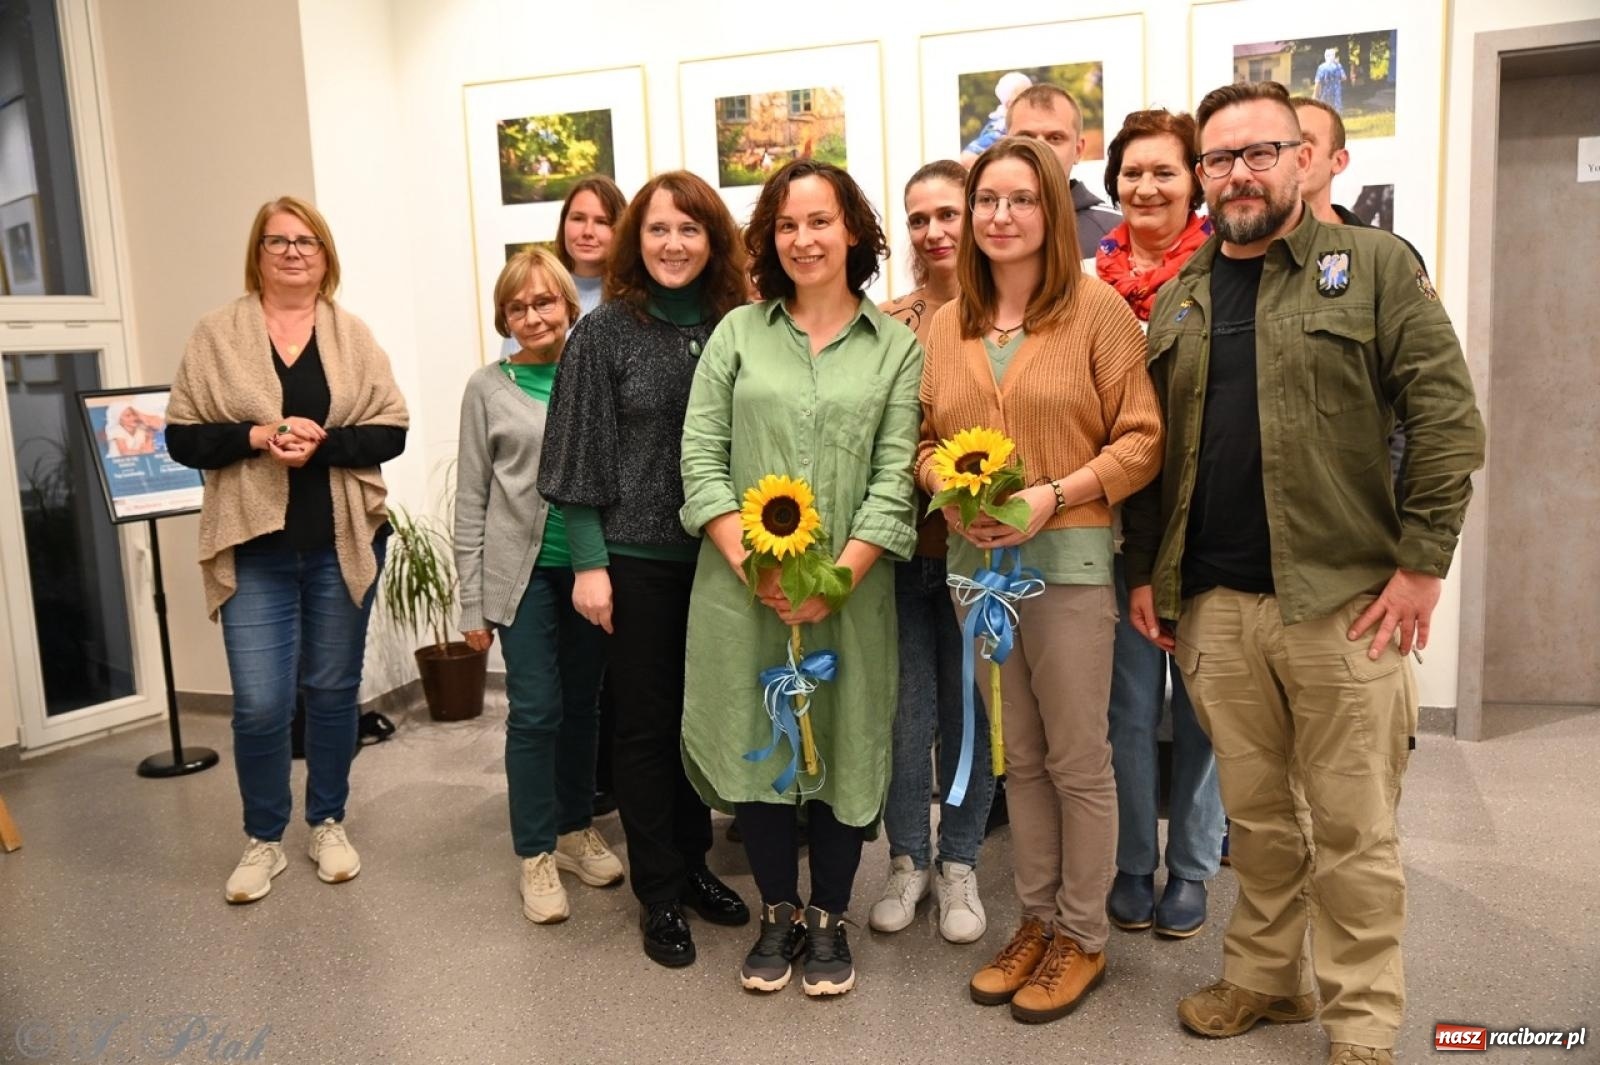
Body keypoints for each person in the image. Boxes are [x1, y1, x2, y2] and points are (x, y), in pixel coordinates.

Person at [1122, 81, 1484, 1065]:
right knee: (1259, 820)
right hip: (1219, 612)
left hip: (1343, 609)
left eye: (1259, 152)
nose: (1237, 173)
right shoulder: (1185, 299)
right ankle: (1262, 979)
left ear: (1305, 160)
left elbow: (1448, 421)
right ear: (1201, 177)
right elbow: (1161, 455)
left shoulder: (1370, 268)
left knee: (1353, 828)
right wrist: (1153, 576)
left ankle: (1362, 1020)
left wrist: (1419, 567)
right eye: (1218, 159)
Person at [919, 137, 1161, 1023]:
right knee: (1015, 756)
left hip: (1066, 566)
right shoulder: (945, 323)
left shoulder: (1094, 312)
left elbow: (1141, 439)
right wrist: (942, 480)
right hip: (975, 573)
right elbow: (918, 440)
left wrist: (1052, 496)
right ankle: (1034, 919)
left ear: (1052, 213)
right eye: (987, 199)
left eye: (1021, 199)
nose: (1000, 216)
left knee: (1076, 757)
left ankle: (1083, 936)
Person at [679, 159, 921, 997]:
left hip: (852, 596)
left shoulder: (895, 347)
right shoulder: (737, 335)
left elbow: (895, 481)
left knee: (847, 742)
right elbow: (700, 459)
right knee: (761, 748)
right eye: (787, 225)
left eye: (819, 221)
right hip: (740, 592)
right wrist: (755, 567)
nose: (804, 238)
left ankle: (830, 917)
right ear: (768, 240)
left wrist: (838, 579)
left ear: (851, 229)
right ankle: (777, 910)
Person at [166, 196, 408, 904]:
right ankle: (264, 836)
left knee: (333, 695)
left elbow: (390, 428)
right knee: (261, 704)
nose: (293, 252)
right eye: (278, 242)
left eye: (306, 241)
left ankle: (327, 819)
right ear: (258, 254)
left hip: (339, 544)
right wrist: (254, 437)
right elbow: (183, 436)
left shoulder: (350, 334)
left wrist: (324, 444)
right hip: (255, 548)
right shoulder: (216, 334)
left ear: (325, 255)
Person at [537, 171, 752, 968]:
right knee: (645, 725)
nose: (673, 244)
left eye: (690, 230)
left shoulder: (739, 323)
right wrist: (590, 566)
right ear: (638, 239)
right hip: (636, 563)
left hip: (724, 559)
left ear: (713, 240)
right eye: (659, 229)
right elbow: (575, 459)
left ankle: (696, 863)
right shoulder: (604, 334)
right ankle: (659, 890)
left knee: (705, 722)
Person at [455, 247, 624, 926]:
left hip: (590, 573)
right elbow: (470, 498)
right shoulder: (486, 388)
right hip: (517, 578)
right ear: (505, 315)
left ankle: (576, 826)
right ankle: (535, 851)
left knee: (584, 706)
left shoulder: (594, 376)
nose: (531, 315)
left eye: (543, 301)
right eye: (517, 306)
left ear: (568, 304)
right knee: (536, 710)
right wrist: (471, 602)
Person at [1093, 109, 1224, 940]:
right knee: (1130, 709)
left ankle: (1196, 865)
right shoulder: (1086, 282)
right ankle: (1135, 860)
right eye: (1132, 173)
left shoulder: (1224, 273)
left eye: (1164, 172)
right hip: (1114, 528)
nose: (1146, 187)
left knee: (1208, 708)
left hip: (1208, 525)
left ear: (1194, 182)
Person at [869, 159, 995, 945]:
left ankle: (961, 862)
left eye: (947, 213)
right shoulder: (889, 321)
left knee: (973, 715)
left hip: (979, 555)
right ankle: (906, 859)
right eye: (918, 219)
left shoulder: (1001, 316)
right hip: (898, 552)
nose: (934, 231)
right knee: (905, 716)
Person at [500, 176, 626, 358]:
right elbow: (510, 374)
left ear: (620, 228)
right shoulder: (531, 287)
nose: (588, 232)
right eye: (578, 218)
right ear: (563, 224)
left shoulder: (636, 298)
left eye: (602, 222)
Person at [1005, 84, 1121, 259]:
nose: (1040, 148)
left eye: (1055, 138)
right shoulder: (985, 227)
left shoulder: (1115, 231)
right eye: (1026, 138)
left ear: (1078, 150)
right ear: (1004, 147)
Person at [961, 71, 1033, 166]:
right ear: (1009, 104)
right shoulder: (1000, 127)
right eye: (1025, 96)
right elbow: (967, 157)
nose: (1032, 100)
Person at [1314, 47, 1348, 112]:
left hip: (1325, 93)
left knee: (1325, 110)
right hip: (1336, 93)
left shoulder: (1321, 67)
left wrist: (1315, 96)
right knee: (1336, 111)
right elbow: (1344, 78)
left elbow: (1317, 82)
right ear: (1334, 56)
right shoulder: (1338, 66)